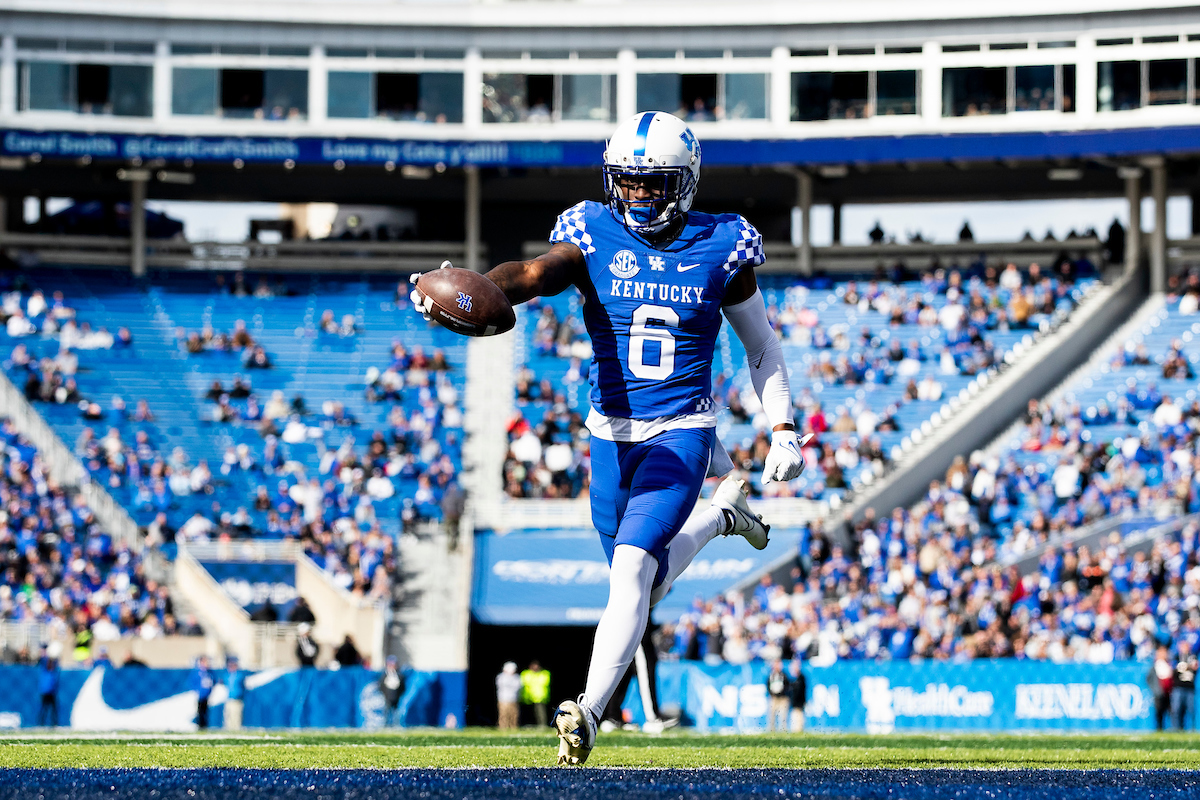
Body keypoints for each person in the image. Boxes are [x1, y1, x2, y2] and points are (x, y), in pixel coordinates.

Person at [411, 111, 803, 765]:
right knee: (645, 584)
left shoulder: (723, 244)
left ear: (685, 182)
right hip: (610, 437)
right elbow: (532, 275)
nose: (639, 195)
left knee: (631, 571)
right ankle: (720, 519)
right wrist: (475, 291)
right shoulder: (591, 230)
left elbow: (760, 344)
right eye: (629, 181)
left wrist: (784, 428)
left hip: (681, 433)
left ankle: (588, 714)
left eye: (653, 183)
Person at [1173, 640, 1197, 731]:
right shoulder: (1176, 657)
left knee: (1191, 710)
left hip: (1189, 687)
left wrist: (1188, 666)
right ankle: (1177, 729)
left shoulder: (1192, 656)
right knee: (1177, 710)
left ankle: (1192, 728)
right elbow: (1173, 668)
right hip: (1178, 687)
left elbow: (1195, 666)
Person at [520, 660, 552, 728]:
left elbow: (543, 682)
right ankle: (528, 724)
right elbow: (523, 683)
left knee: (540, 712)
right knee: (528, 712)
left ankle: (542, 725)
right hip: (528, 697)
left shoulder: (544, 673)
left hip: (539, 697)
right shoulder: (526, 673)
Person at [1149, 645, 1174, 731]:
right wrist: (1155, 689)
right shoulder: (1155, 665)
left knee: (1170, 711)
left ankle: (1171, 728)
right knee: (1159, 712)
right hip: (1159, 692)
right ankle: (1159, 728)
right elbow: (1149, 679)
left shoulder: (1168, 664)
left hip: (1168, 692)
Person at [378, 655, 406, 727]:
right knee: (387, 713)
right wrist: (385, 695)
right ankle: (386, 725)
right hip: (387, 698)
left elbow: (402, 687)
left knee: (396, 714)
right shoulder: (384, 676)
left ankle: (396, 725)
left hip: (396, 698)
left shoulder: (399, 676)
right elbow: (381, 686)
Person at [37, 646, 59, 727]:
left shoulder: (53, 670)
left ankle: (54, 723)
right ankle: (41, 723)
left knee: (53, 709)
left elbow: (56, 661)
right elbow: (42, 659)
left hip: (52, 692)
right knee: (44, 708)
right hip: (45, 691)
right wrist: (46, 652)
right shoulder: (44, 669)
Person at [766, 659, 790, 732]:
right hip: (774, 698)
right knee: (772, 716)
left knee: (783, 716)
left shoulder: (784, 675)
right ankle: (771, 730)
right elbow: (768, 685)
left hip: (782, 698)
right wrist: (772, 694)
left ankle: (783, 730)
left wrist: (783, 693)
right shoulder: (771, 675)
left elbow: (787, 686)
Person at [496, 661, 521, 730]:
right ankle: (503, 727)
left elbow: (518, 686)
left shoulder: (516, 677)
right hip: (503, 699)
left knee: (513, 714)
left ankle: (513, 727)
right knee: (503, 714)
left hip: (513, 699)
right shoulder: (501, 677)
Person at [224, 655, 247, 731]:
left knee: (236, 715)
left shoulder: (239, 675)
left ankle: (237, 729)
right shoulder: (227, 675)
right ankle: (228, 728)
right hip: (229, 698)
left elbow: (242, 686)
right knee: (228, 715)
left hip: (237, 699)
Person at [192, 655, 214, 730]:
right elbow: (192, 683)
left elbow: (213, 681)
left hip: (207, 695)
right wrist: (197, 691)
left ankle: (204, 726)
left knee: (205, 712)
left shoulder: (209, 672)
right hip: (200, 695)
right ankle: (200, 726)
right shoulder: (198, 672)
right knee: (200, 711)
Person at [788, 660, 808, 733]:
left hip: (799, 703)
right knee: (795, 718)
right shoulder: (795, 679)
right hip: (795, 703)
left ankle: (799, 731)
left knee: (799, 718)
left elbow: (800, 691)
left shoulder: (801, 678)